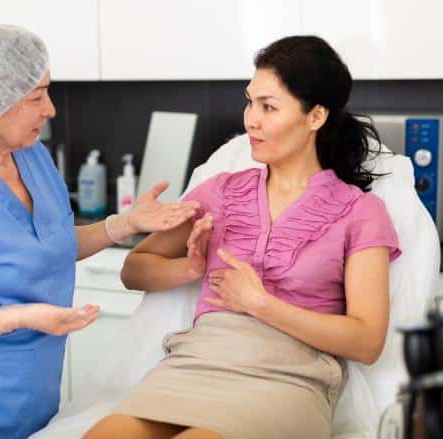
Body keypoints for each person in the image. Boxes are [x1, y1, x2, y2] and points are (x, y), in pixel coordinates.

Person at [0, 25, 199, 438]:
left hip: (31, 410)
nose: (50, 109)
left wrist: (125, 224)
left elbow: (50, 246)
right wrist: (19, 317)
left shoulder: (33, 160)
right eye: (36, 97)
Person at [85, 36, 401, 439]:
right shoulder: (220, 191)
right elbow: (134, 269)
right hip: (197, 363)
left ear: (316, 116)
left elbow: (367, 341)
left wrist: (260, 304)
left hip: (288, 379)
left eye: (268, 107)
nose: (251, 119)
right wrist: (190, 268)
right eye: (250, 102)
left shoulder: (359, 212)